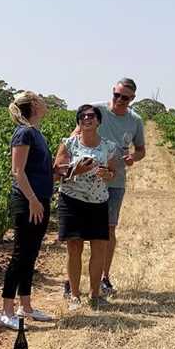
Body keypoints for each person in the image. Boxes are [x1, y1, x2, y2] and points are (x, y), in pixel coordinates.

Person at [0, 92, 56, 329]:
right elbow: (18, 171)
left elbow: (40, 170)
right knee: (21, 254)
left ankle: (26, 306)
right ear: (33, 104)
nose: (45, 102)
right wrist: (32, 199)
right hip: (28, 202)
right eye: (41, 99)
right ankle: (6, 310)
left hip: (39, 200)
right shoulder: (23, 132)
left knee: (31, 255)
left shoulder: (35, 132)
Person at [54, 104, 118, 310]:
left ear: (98, 121)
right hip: (72, 200)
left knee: (99, 247)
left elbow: (112, 173)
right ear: (78, 121)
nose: (87, 118)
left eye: (91, 116)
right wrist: (77, 170)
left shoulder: (108, 146)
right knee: (74, 247)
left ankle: (94, 294)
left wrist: (107, 174)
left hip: (98, 201)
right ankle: (74, 295)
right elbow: (57, 173)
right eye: (82, 116)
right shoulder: (68, 144)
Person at [94, 78, 145, 295]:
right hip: (88, 180)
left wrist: (134, 157)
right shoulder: (96, 111)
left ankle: (104, 277)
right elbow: (76, 136)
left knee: (108, 229)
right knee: (81, 233)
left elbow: (141, 149)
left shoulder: (135, 121)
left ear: (132, 99)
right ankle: (75, 280)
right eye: (117, 95)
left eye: (125, 97)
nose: (119, 100)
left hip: (115, 183)